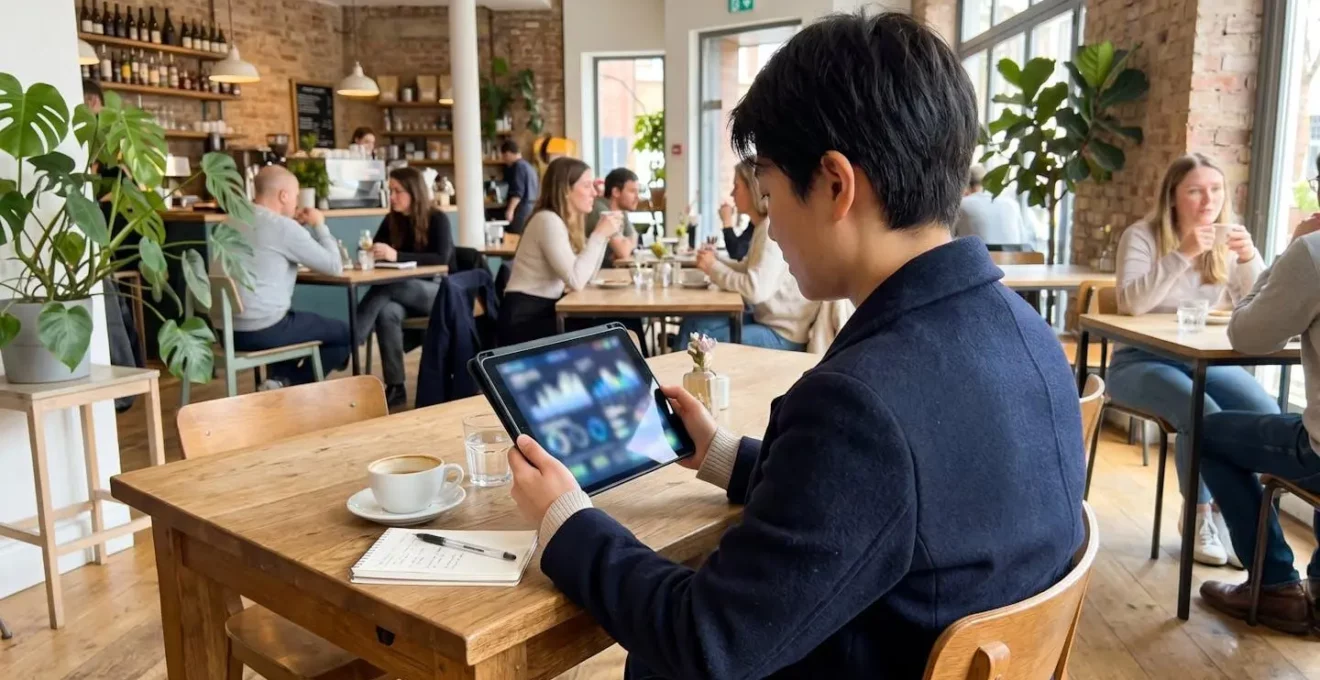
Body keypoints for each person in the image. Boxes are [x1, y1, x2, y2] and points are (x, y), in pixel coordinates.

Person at [502, 13, 1085, 679]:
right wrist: (722, 455)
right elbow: (886, 507)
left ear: (836, 185)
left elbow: (708, 642)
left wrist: (564, 519)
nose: (771, 227)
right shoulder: (1029, 333)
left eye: (773, 197)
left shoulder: (859, 405)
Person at [1108, 152, 1276, 568]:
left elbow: (1259, 306)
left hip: (1202, 360)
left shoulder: (1226, 241)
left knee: (1265, 412)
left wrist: (1249, 259)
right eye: (1195, 191)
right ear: (1172, 198)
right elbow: (1131, 304)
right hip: (1138, 360)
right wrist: (1181, 255)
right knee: (1201, 413)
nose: (1208, 201)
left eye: (1216, 190)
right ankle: (1198, 515)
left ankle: (1237, 521)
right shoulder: (1143, 236)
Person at [1197, 158, 1320, 634]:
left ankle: (1273, 587)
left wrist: (1288, 255)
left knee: (1206, 429)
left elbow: (1248, 336)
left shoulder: (1312, 252)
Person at [676, 157, 818, 351]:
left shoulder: (769, 228)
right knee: (693, 324)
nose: (732, 194)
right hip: (767, 319)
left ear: (753, 188)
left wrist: (712, 267)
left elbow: (754, 290)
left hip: (782, 333)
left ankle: (678, 378)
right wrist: (716, 260)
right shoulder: (762, 226)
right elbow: (748, 268)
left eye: (736, 186)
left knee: (696, 340)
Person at [229, 166, 351, 389]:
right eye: (296, 195)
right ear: (283, 195)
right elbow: (334, 266)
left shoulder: (232, 221)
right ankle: (287, 386)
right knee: (343, 333)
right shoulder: (282, 227)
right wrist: (319, 225)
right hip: (263, 330)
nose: (296, 202)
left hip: (226, 331)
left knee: (292, 320)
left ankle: (277, 380)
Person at [356, 167, 456, 408]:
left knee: (388, 287)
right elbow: (380, 251)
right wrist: (374, 253)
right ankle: (396, 386)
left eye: (397, 191)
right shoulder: (392, 220)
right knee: (387, 311)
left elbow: (441, 259)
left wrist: (396, 255)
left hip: (437, 292)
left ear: (413, 191)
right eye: (390, 191)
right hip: (402, 294)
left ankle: (353, 337)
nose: (392, 197)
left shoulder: (437, 218)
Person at [497, 157, 622, 347]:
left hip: (544, 311)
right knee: (617, 326)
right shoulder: (547, 221)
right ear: (565, 190)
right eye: (587, 186)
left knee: (622, 322)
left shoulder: (560, 222)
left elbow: (586, 276)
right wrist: (598, 234)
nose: (595, 193)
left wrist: (604, 236)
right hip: (526, 319)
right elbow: (576, 280)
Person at [953, 164, 1026, 247]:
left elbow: (947, 240)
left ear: (965, 186)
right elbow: (1023, 240)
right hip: (1014, 259)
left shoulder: (961, 205)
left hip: (978, 259)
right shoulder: (1012, 204)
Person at [585, 168, 640, 268]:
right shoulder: (600, 210)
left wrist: (626, 245)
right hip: (595, 276)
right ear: (616, 192)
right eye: (632, 191)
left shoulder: (621, 212)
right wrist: (625, 245)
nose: (637, 197)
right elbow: (623, 252)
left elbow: (634, 237)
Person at [501, 139, 540, 235]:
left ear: (508, 154)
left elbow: (518, 192)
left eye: (504, 156)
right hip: (531, 208)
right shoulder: (529, 167)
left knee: (515, 238)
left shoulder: (518, 167)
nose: (504, 160)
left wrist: (510, 210)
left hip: (521, 209)